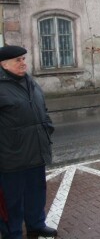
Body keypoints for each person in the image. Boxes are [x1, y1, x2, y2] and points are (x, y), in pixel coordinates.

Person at [0, 46, 58, 239]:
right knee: (11, 202)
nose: (23, 63)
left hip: (36, 151)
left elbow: (43, 108)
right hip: (11, 157)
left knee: (36, 193)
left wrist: (47, 128)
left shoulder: (30, 81)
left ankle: (36, 225)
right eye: (18, 60)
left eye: (23, 59)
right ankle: (13, 234)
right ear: (3, 64)